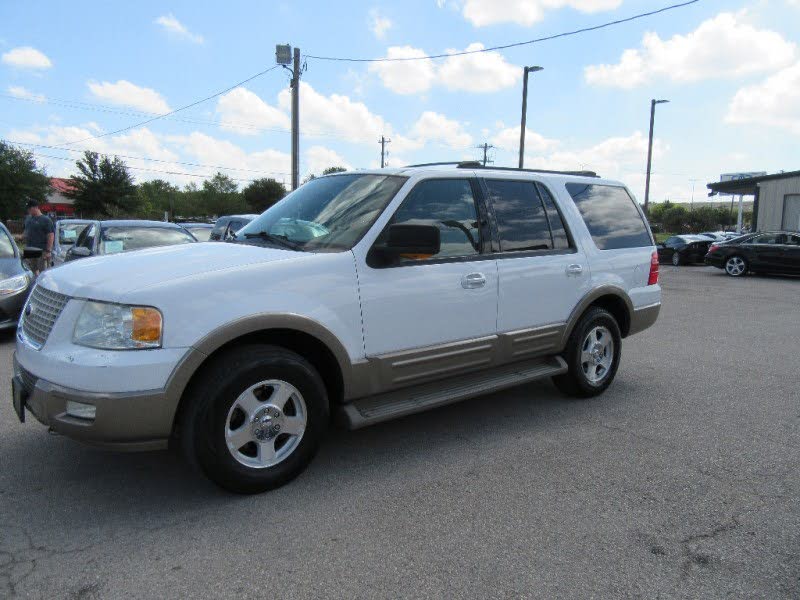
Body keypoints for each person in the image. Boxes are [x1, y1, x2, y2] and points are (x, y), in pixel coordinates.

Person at [23, 199, 54, 275]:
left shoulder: (46, 220)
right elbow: (26, 232)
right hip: (30, 249)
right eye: (28, 208)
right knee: (31, 270)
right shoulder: (28, 219)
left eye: (30, 208)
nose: (28, 210)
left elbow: (50, 235)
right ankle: (35, 281)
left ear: (36, 207)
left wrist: (48, 251)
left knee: (43, 272)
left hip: (41, 250)